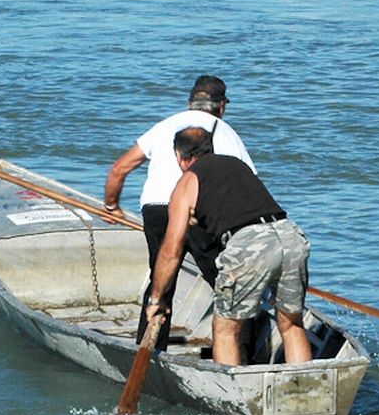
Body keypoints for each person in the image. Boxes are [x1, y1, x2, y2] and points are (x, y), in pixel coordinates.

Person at [103, 75, 254, 349]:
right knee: (226, 285)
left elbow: (119, 170)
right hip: (198, 211)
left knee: (160, 282)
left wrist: (112, 207)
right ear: (221, 107)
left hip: (157, 210)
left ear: (190, 103)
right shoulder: (225, 132)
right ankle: (242, 352)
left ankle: (148, 348)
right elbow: (248, 183)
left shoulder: (165, 126)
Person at [144, 127, 312, 366]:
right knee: (291, 323)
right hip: (290, 235)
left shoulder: (186, 182)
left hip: (250, 245)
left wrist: (157, 299)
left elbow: (171, 251)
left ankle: (231, 397)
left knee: (225, 330)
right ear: (210, 148)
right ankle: (303, 391)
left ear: (179, 157)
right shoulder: (237, 165)